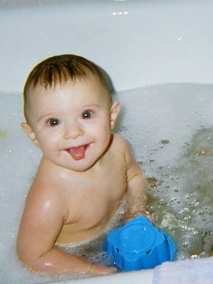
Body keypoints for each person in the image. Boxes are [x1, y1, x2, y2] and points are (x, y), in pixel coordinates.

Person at [16, 54, 150, 275]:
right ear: (33, 135)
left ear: (111, 116)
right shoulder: (50, 196)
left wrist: (135, 212)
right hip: (74, 255)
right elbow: (33, 255)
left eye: (86, 115)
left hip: (117, 229)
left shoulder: (119, 148)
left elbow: (134, 177)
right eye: (54, 122)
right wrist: (91, 270)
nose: (73, 133)